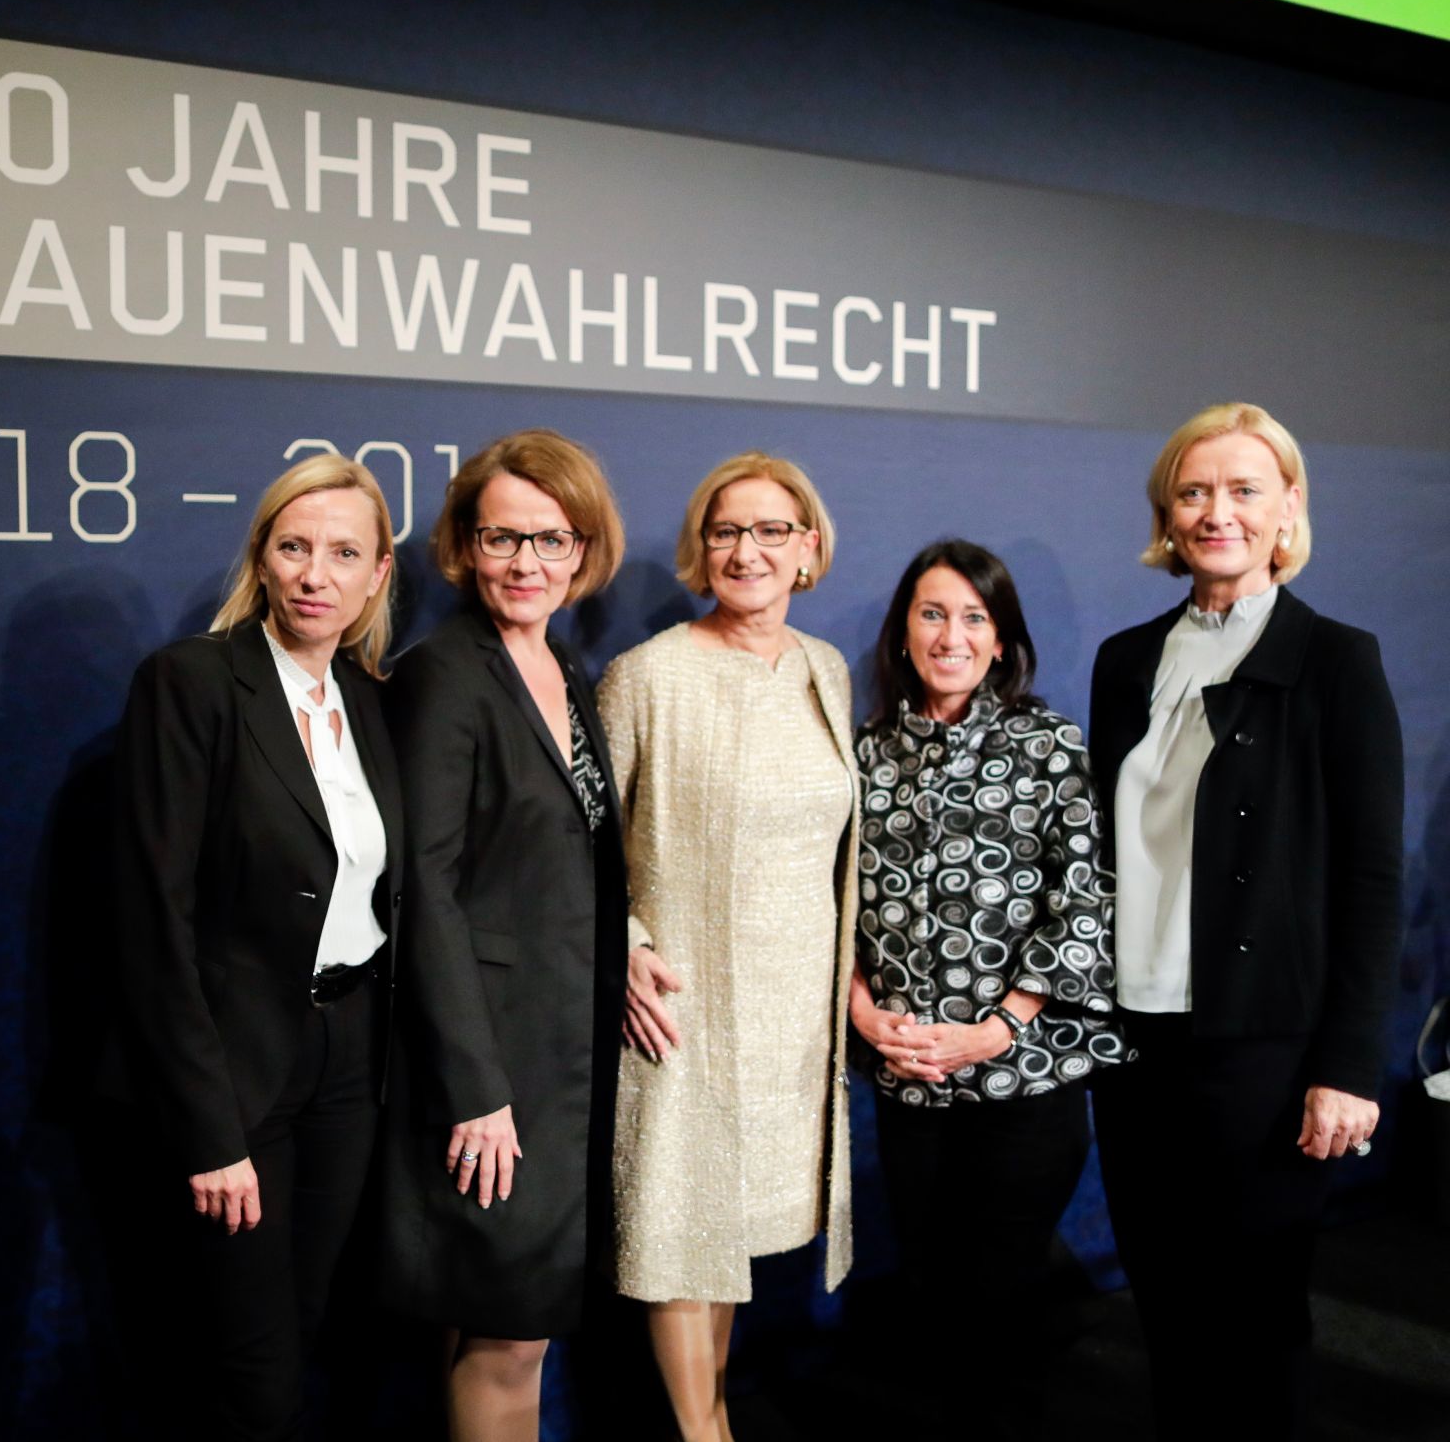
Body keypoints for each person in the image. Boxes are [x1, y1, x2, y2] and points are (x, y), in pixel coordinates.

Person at [1088, 403, 1403, 1437]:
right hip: (1135, 1041)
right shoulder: (1124, 660)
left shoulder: (1334, 659)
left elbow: (1370, 877)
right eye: (1193, 491)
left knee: (1257, 1318)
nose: (1215, 511)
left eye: (1242, 489)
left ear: (1287, 508)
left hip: (1266, 1045)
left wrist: (1349, 1064)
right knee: (1167, 1307)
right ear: (1166, 515)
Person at [109, 455, 402, 1440]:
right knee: (253, 1368)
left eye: (343, 553)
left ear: (378, 572)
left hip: (349, 1066)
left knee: (303, 1327)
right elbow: (152, 922)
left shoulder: (369, 700)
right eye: (294, 547)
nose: (316, 574)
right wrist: (209, 1128)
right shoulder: (192, 682)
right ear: (262, 558)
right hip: (236, 1071)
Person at [596, 451, 857, 1442]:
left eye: (770, 530)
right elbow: (582, 842)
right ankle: (703, 1432)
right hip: (683, 1006)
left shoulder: (824, 669)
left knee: (730, 1236)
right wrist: (623, 943)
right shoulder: (646, 675)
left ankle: (706, 1420)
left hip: (794, 1018)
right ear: (700, 549)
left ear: (808, 546)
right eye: (726, 531)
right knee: (681, 1229)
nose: (748, 550)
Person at [381, 429, 629, 1442]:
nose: (526, 562)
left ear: (583, 549)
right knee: (507, 1337)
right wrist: (475, 1087)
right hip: (491, 1067)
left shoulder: (563, 666)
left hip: (563, 1055)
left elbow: (570, 857)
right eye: (502, 538)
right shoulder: (444, 673)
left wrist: (630, 948)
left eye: (550, 539)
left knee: (496, 1326)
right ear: (464, 545)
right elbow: (423, 887)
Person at [849, 538, 1125, 1436]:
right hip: (909, 1083)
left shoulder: (1047, 745)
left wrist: (996, 1028)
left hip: (1022, 1081)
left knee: (1005, 1302)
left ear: (1001, 639)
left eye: (975, 617)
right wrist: (864, 1014)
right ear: (903, 630)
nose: (952, 635)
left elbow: (1084, 899)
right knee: (931, 1295)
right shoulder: (864, 755)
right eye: (932, 613)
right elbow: (831, 903)